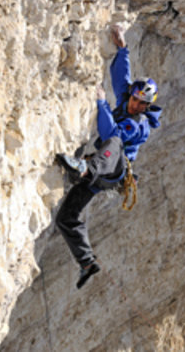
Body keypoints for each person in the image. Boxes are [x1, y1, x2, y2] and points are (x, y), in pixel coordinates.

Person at [55, 24, 162, 289]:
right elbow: (120, 78)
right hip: (99, 170)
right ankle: (87, 262)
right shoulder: (129, 98)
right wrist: (122, 47)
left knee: (113, 139)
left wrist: (102, 103)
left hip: (112, 170)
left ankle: (84, 170)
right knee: (65, 217)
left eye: (140, 104)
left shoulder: (139, 125)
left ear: (147, 107)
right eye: (135, 99)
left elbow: (110, 132)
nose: (134, 105)